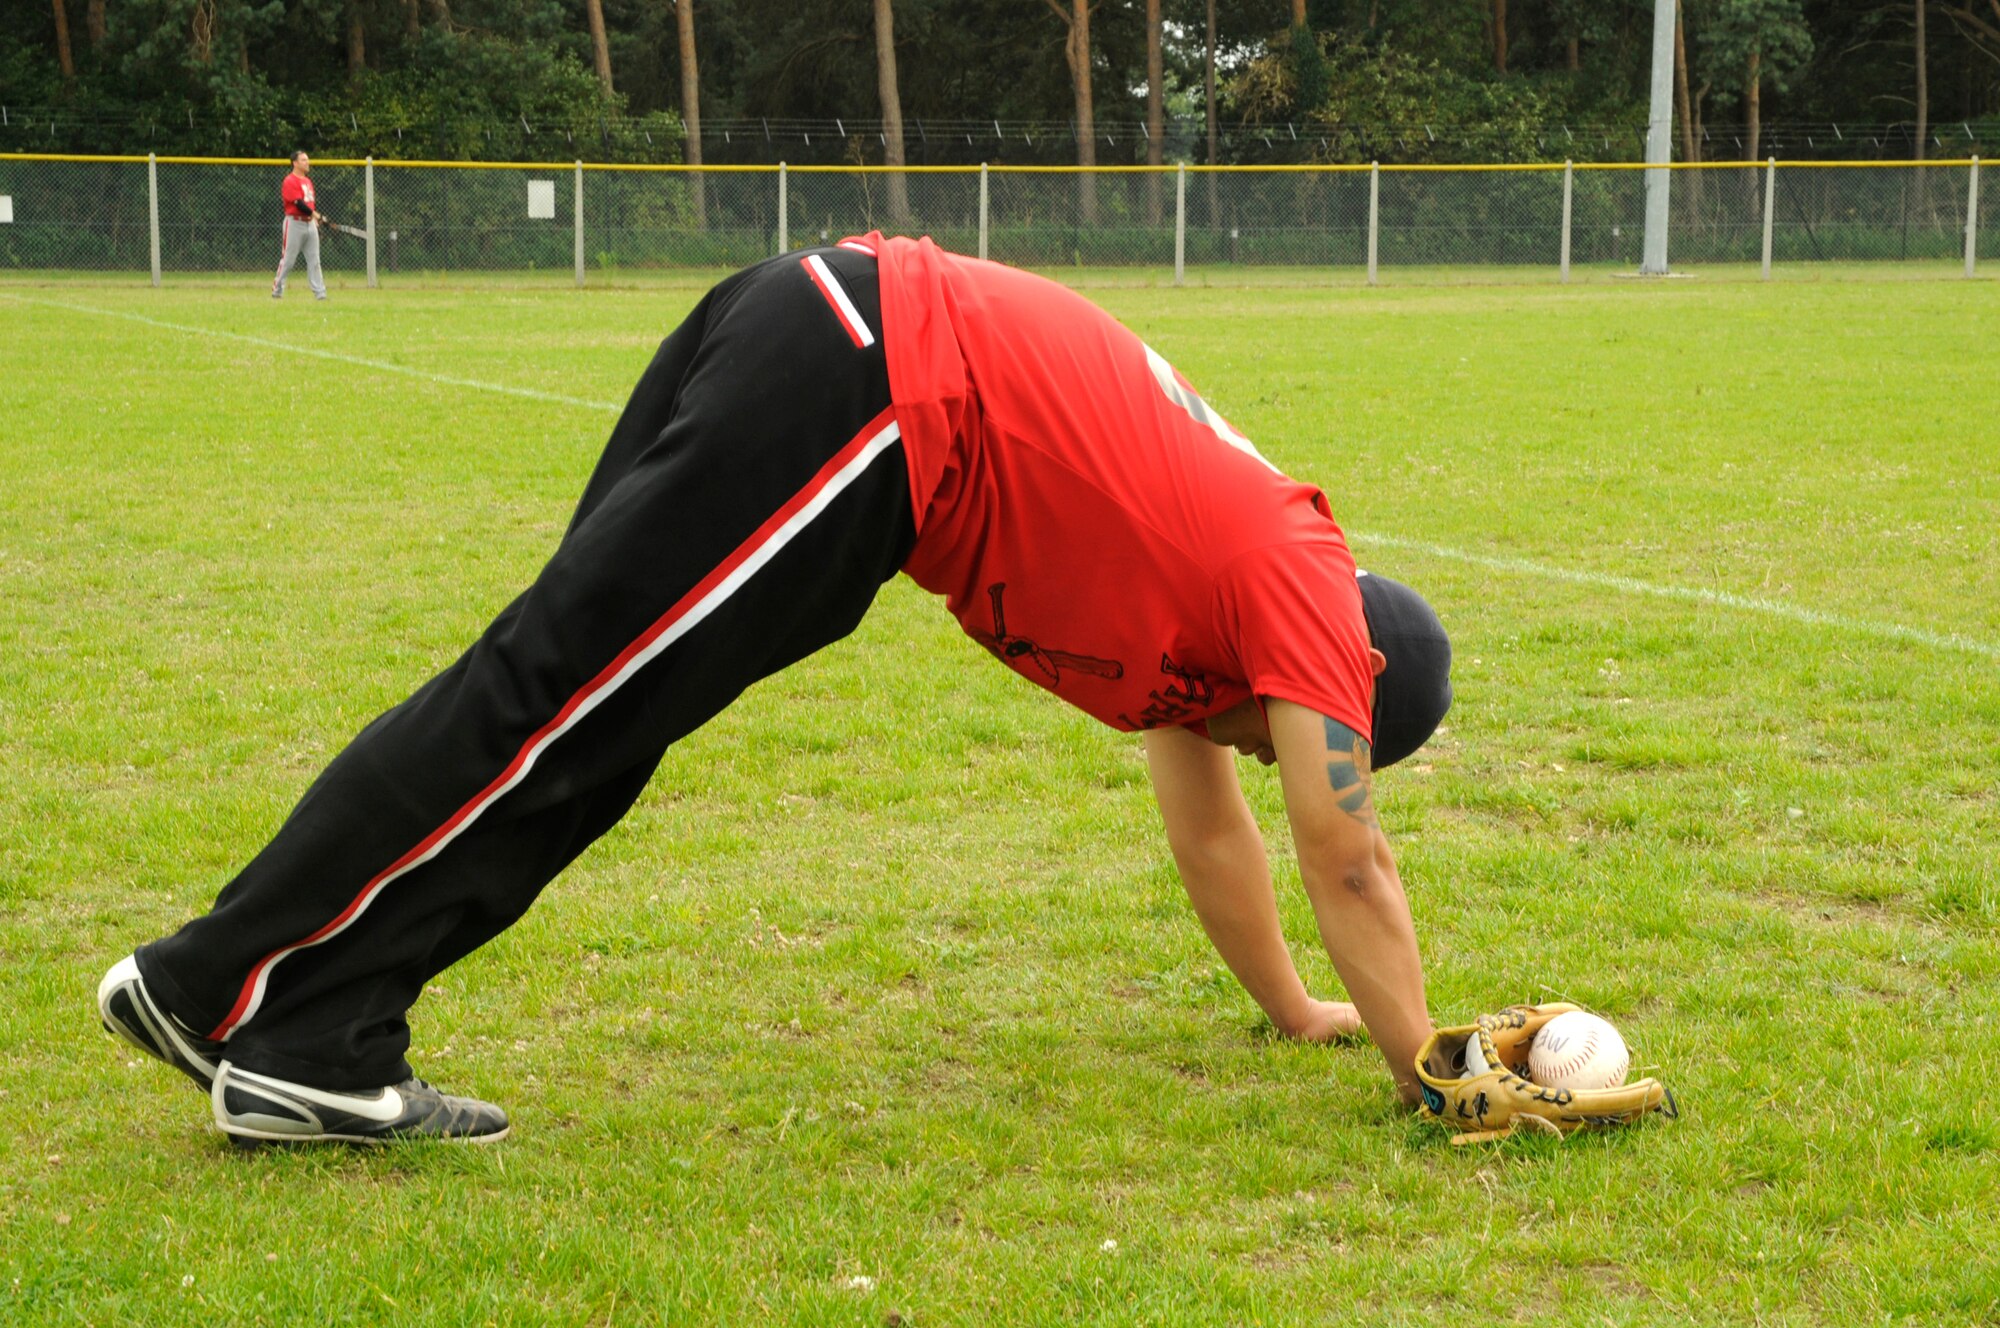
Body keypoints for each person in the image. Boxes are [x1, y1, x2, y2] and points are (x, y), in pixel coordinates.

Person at [98, 234, 1452, 1145]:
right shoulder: (1303, 583)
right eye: (1299, 736)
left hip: (830, 339)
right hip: (869, 388)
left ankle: (317, 1037)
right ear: (1354, 671)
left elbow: (1209, 828)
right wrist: (1436, 1077)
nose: (1273, 753)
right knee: (554, 705)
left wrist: (1297, 1010)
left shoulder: (1225, 622)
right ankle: (223, 986)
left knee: (583, 716)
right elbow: (1350, 859)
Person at [271, 150, 327, 301]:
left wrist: (314, 219)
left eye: (307, 160)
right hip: (294, 223)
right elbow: (299, 203)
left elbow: (309, 203)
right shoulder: (290, 180)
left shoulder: (307, 181)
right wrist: (315, 214)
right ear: (295, 163)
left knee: (314, 260)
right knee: (288, 259)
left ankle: (320, 293)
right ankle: (277, 290)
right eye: (303, 160)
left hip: (309, 224)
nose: (307, 162)